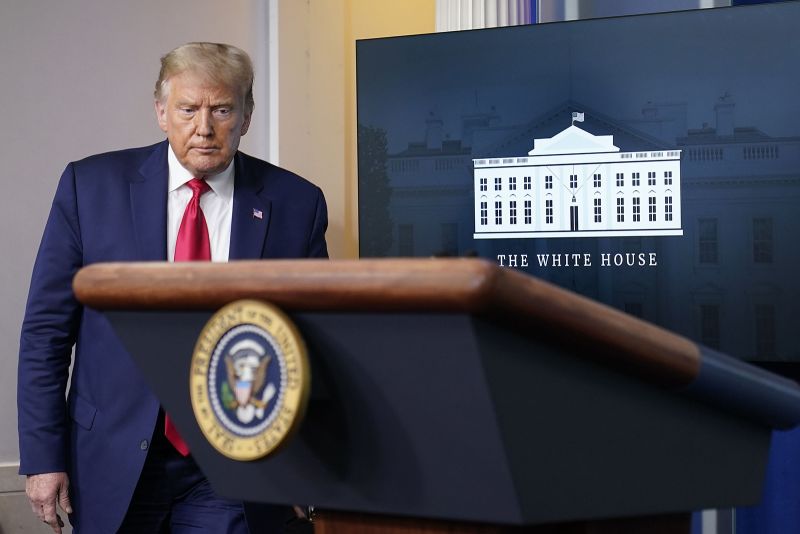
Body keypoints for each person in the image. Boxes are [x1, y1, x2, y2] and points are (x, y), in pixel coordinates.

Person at [18, 42, 327, 533]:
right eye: (188, 109)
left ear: (246, 117)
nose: (204, 128)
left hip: (233, 463)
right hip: (112, 458)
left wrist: (305, 468)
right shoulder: (90, 187)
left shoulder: (296, 204)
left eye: (222, 109)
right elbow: (46, 333)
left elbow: (313, 341)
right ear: (161, 112)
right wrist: (42, 457)